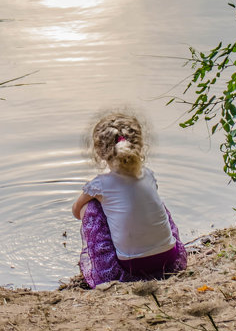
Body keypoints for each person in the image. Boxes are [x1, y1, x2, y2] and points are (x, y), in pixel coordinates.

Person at [72, 112, 187, 288]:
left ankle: (102, 273)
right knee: (149, 202)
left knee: (90, 207)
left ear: (100, 152)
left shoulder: (100, 184)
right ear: (138, 146)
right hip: (168, 259)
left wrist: (98, 202)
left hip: (132, 267)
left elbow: (76, 211)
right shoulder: (147, 174)